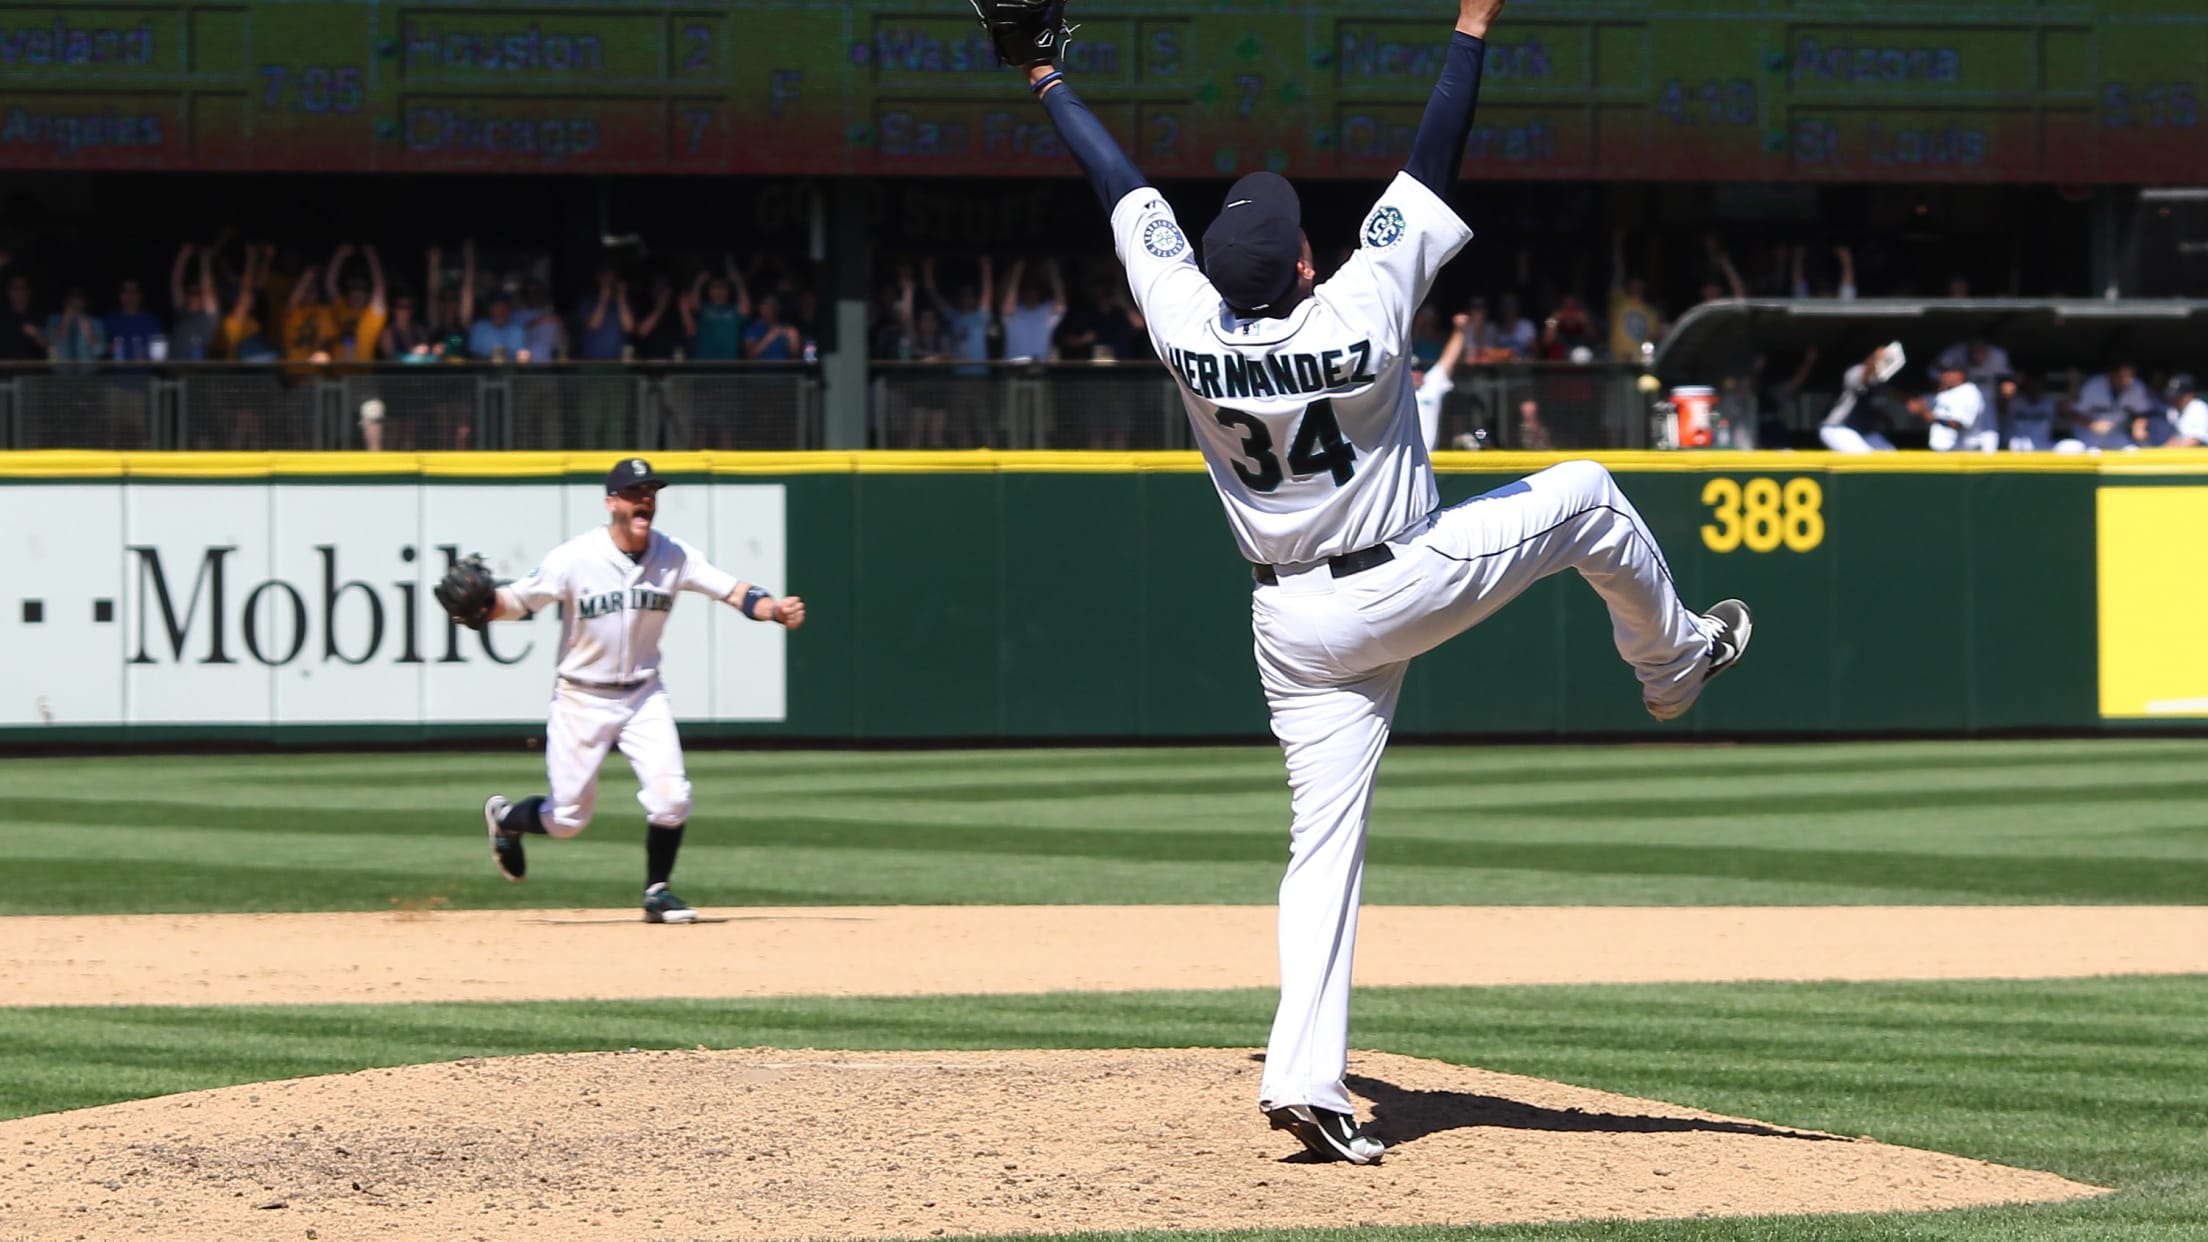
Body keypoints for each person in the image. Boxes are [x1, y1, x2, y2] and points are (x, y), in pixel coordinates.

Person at [1000, 0, 1748, 1165]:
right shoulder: (1355, 305)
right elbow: (1436, 157)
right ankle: (1674, 663)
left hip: (1286, 622)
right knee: (1592, 490)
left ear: (1210, 268)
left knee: (1322, 847)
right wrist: (1471, 23)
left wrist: (1044, 78)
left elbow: (1119, 189)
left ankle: (1306, 1076)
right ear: (1304, 261)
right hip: (1398, 577)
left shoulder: (1180, 319)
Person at [467, 458, 806, 922]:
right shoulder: (574, 558)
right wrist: (485, 607)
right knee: (567, 821)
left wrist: (774, 609)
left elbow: (733, 590)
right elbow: (520, 600)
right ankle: (506, 821)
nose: (645, 499)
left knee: (672, 799)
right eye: (634, 492)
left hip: (644, 694)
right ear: (612, 503)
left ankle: (657, 892)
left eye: (650, 491)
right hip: (581, 697)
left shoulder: (674, 556)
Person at [1819, 343, 1902, 452]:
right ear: (1869, 359)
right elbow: (1864, 380)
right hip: (1837, 428)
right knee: (1865, 456)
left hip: (1863, 432)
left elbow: (1882, 400)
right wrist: (1876, 359)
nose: (1882, 362)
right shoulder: (1855, 371)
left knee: (1890, 454)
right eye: (1876, 359)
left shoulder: (1878, 379)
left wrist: (1886, 418)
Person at [1413, 311, 1468, 451]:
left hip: (1428, 458)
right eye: (1412, 370)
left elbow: (1449, 357)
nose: (1416, 373)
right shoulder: (1398, 388)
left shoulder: (1431, 383)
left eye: (1419, 369)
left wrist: (1459, 331)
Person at [1911, 363, 1992, 452]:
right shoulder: (1946, 392)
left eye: (1950, 372)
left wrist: (1931, 416)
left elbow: (1959, 424)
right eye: (1944, 372)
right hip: (1945, 451)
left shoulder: (1969, 392)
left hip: (1964, 453)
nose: (1945, 375)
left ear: (1961, 374)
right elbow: (1919, 402)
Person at [2165, 374, 2207, 448]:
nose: (2174, 399)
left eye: (2178, 396)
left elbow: (2194, 441)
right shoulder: (2174, 411)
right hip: (2186, 455)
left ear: (2190, 395)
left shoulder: (2198, 409)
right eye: (2173, 396)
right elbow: (2173, 440)